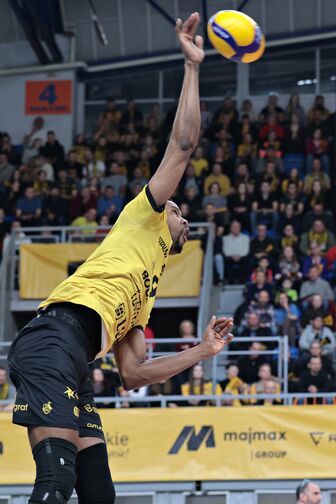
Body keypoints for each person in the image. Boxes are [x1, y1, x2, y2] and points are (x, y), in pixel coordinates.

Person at [7, 13, 234, 504]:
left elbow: (133, 375)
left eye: (179, 209)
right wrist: (193, 67)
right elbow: (183, 144)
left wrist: (203, 352)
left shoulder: (146, 294)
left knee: (97, 491)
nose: (180, 210)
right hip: (52, 339)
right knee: (57, 480)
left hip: (76, 362)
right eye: (177, 206)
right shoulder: (142, 218)